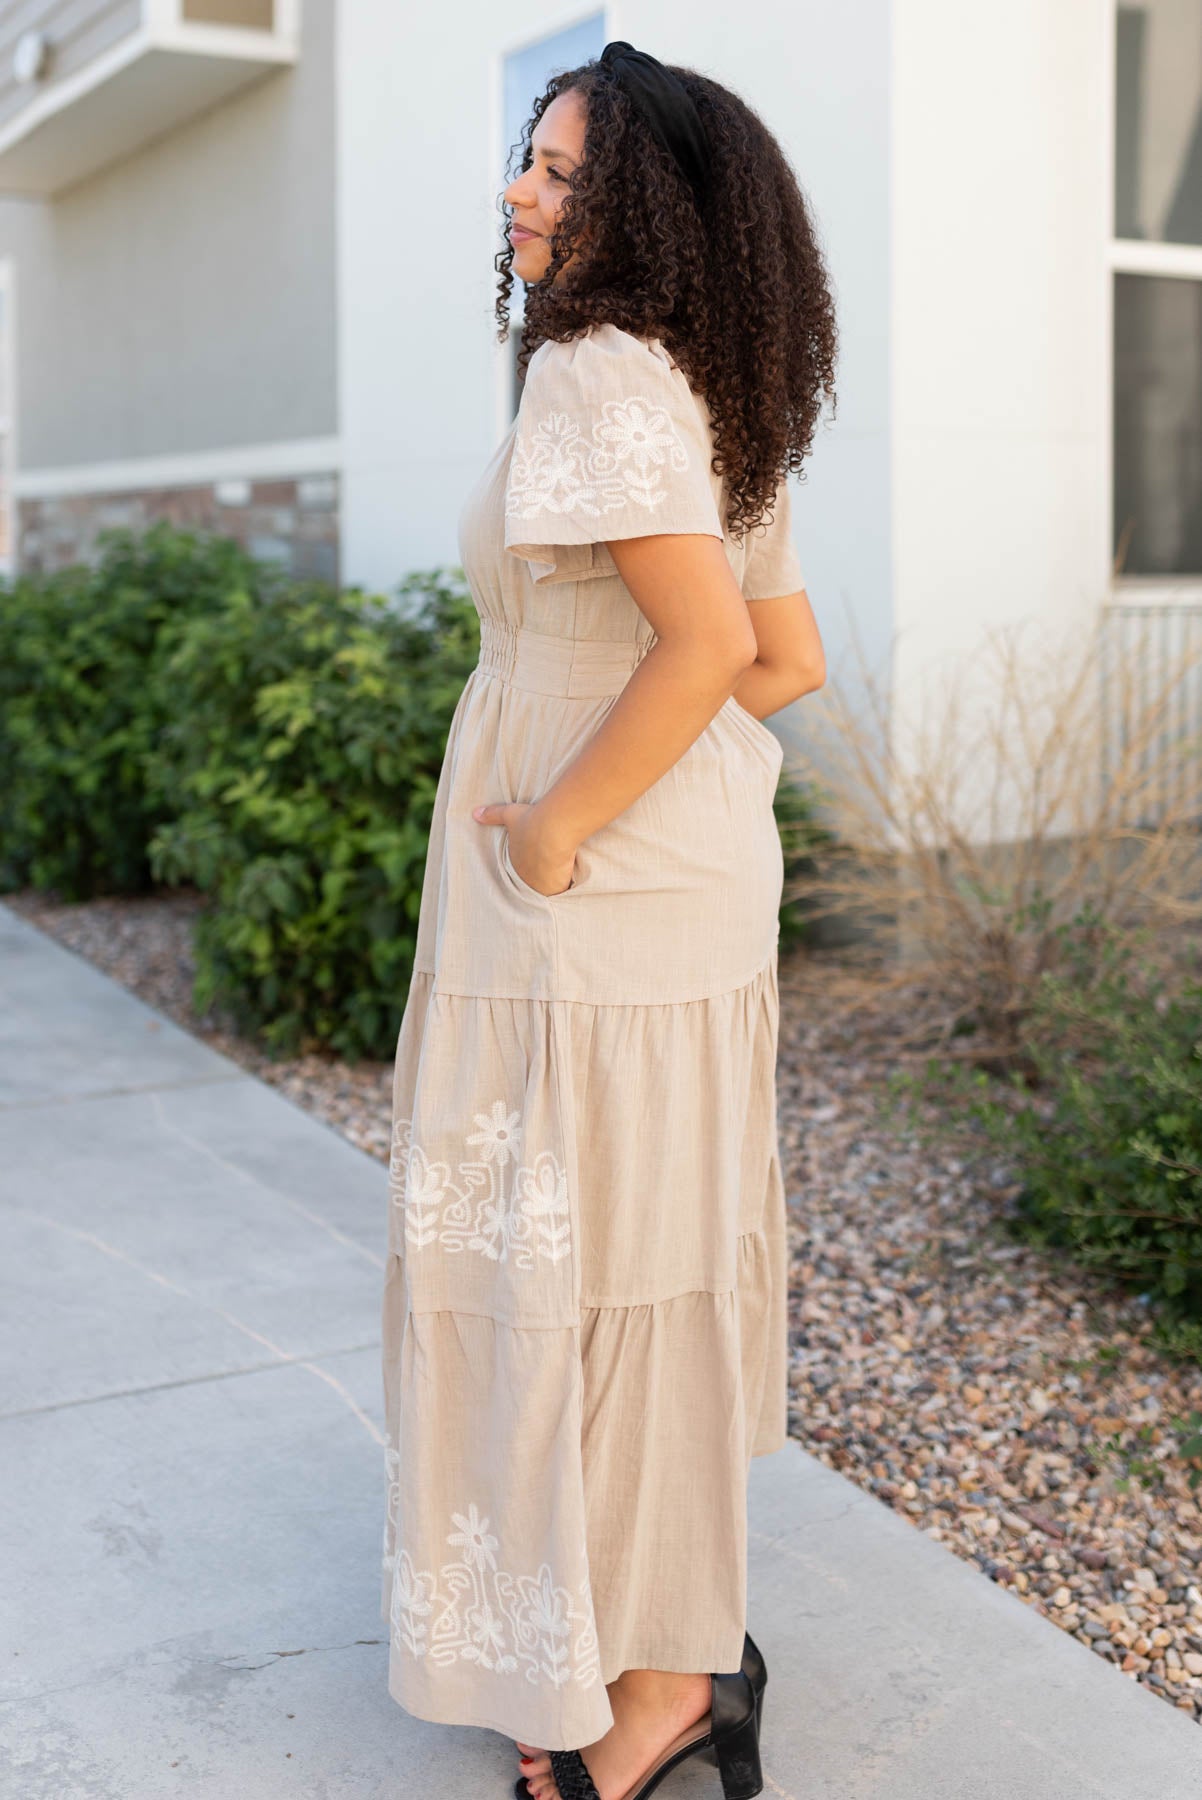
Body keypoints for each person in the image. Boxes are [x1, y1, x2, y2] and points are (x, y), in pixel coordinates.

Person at [379, 39, 836, 1800]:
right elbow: (779, 656)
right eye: (529, 159)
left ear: (642, 207)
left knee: (561, 1269)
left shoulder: (593, 371)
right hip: (677, 893)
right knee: (637, 1266)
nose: (520, 193)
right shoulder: (710, 379)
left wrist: (558, 825)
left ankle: (647, 1690)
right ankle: (667, 1646)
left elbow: (715, 650)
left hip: (582, 905)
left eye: (562, 175)